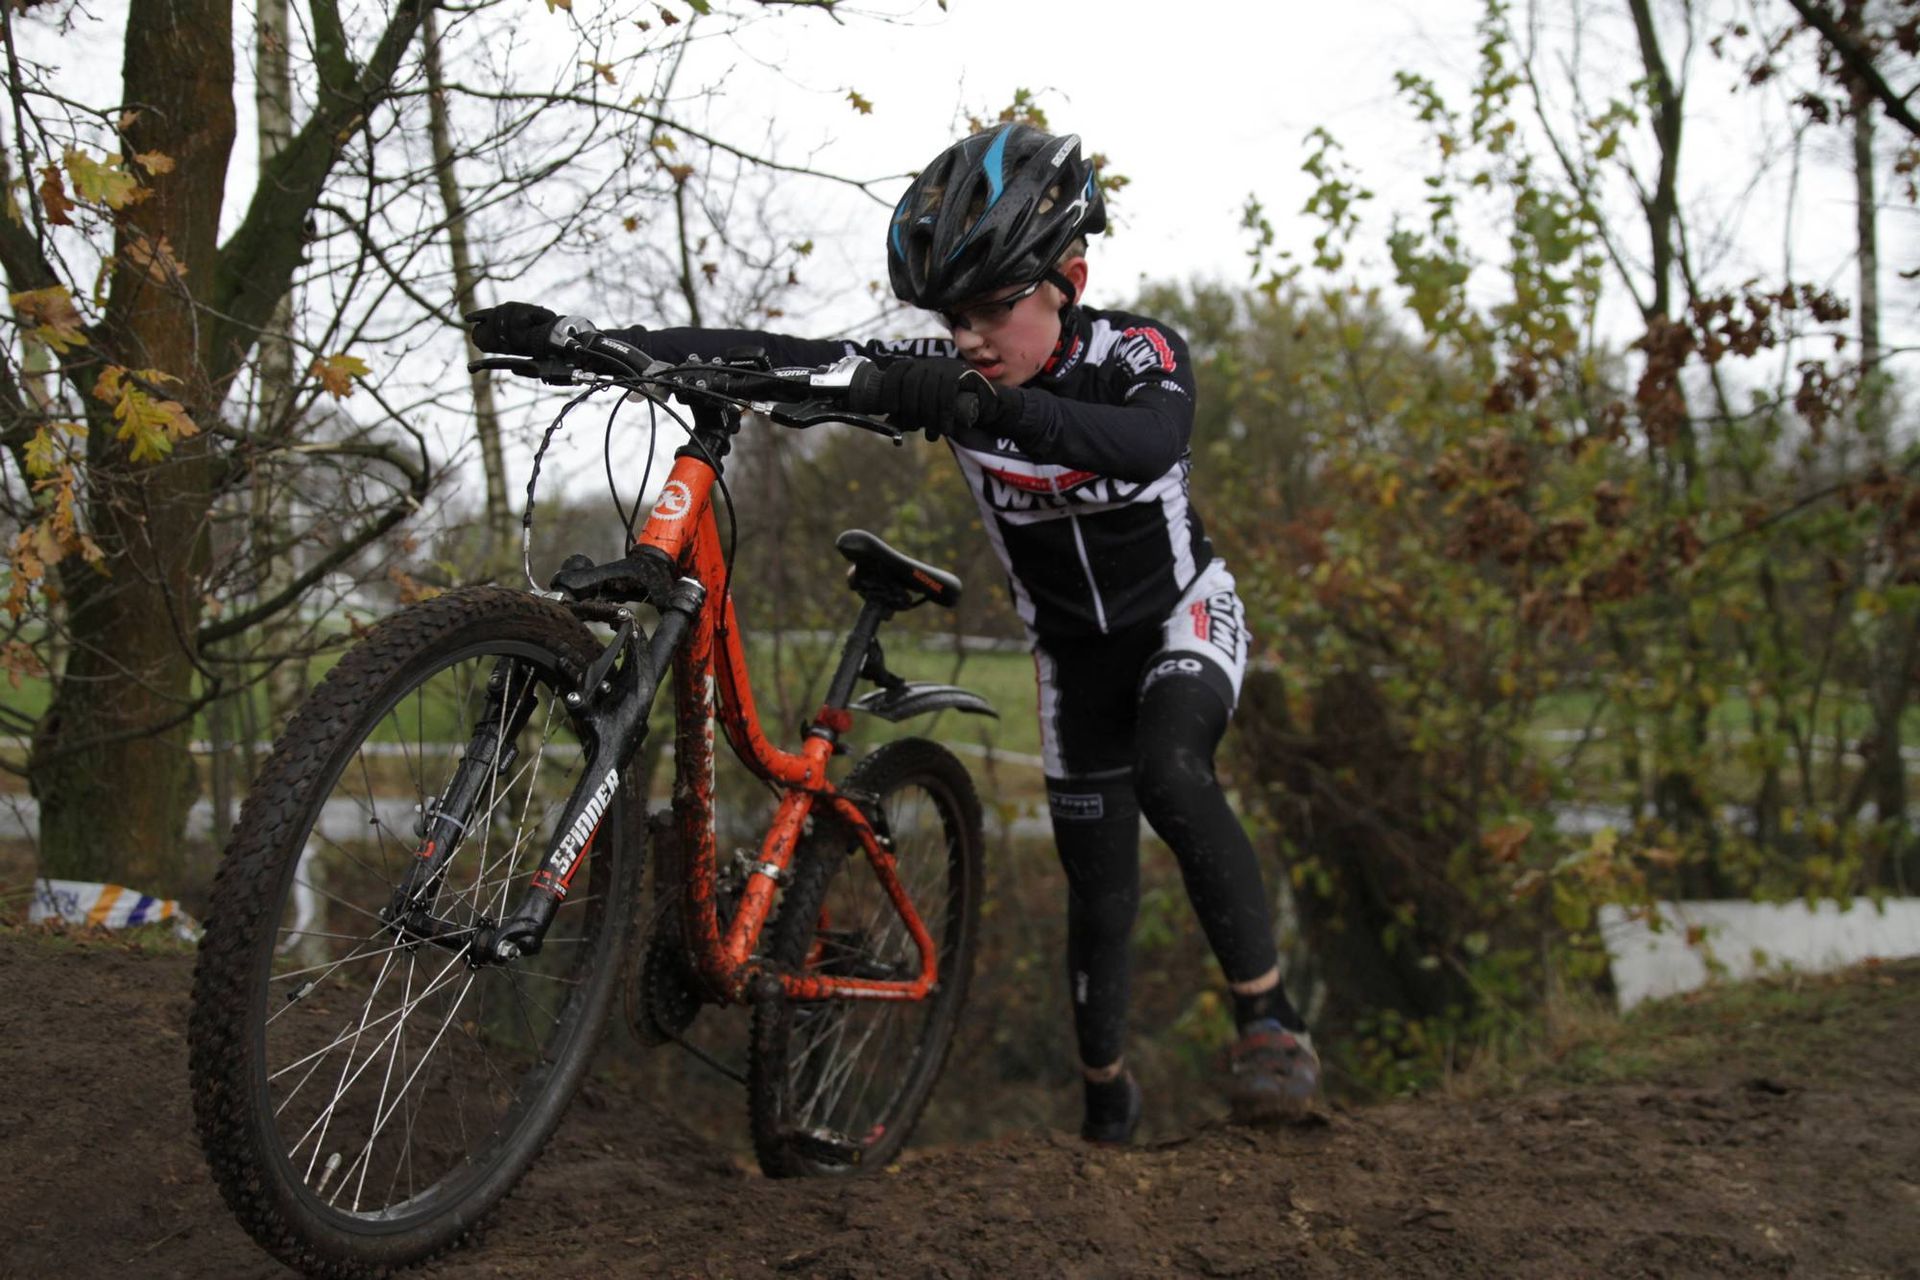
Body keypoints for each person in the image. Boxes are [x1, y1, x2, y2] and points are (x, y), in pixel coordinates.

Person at [468, 122, 1320, 1141]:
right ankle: (1108, 1104)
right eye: (952, 316)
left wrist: (990, 411)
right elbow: (783, 359)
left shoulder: (1136, 355)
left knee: (1173, 772)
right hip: (1069, 657)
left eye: (994, 309)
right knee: (1098, 891)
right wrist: (598, 344)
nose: (968, 338)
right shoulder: (952, 379)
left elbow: (1150, 442)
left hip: (1181, 613)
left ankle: (1269, 1017)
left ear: (1070, 279)